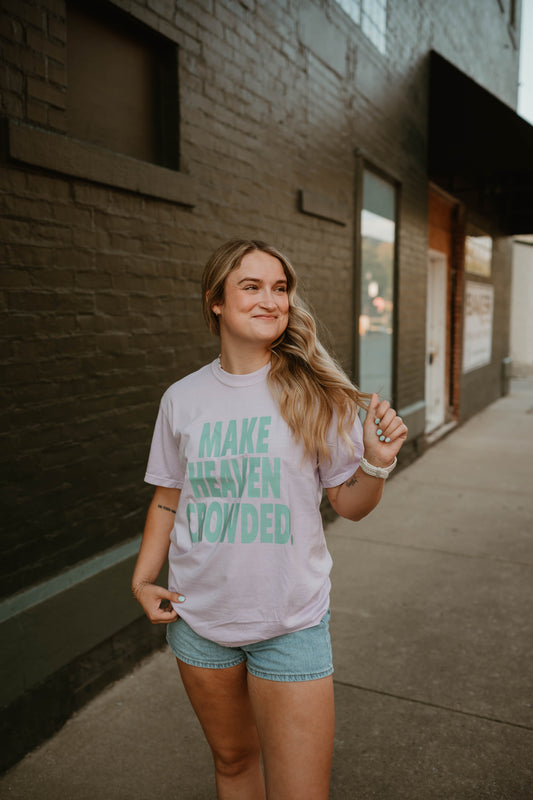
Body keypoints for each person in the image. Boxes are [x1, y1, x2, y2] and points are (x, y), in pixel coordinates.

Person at [132, 239, 407, 800]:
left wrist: (376, 466)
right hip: (198, 622)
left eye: (279, 288)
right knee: (233, 764)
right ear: (215, 301)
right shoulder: (181, 399)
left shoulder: (315, 394)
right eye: (251, 286)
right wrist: (142, 578)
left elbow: (348, 506)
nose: (270, 300)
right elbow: (167, 496)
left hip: (291, 623)